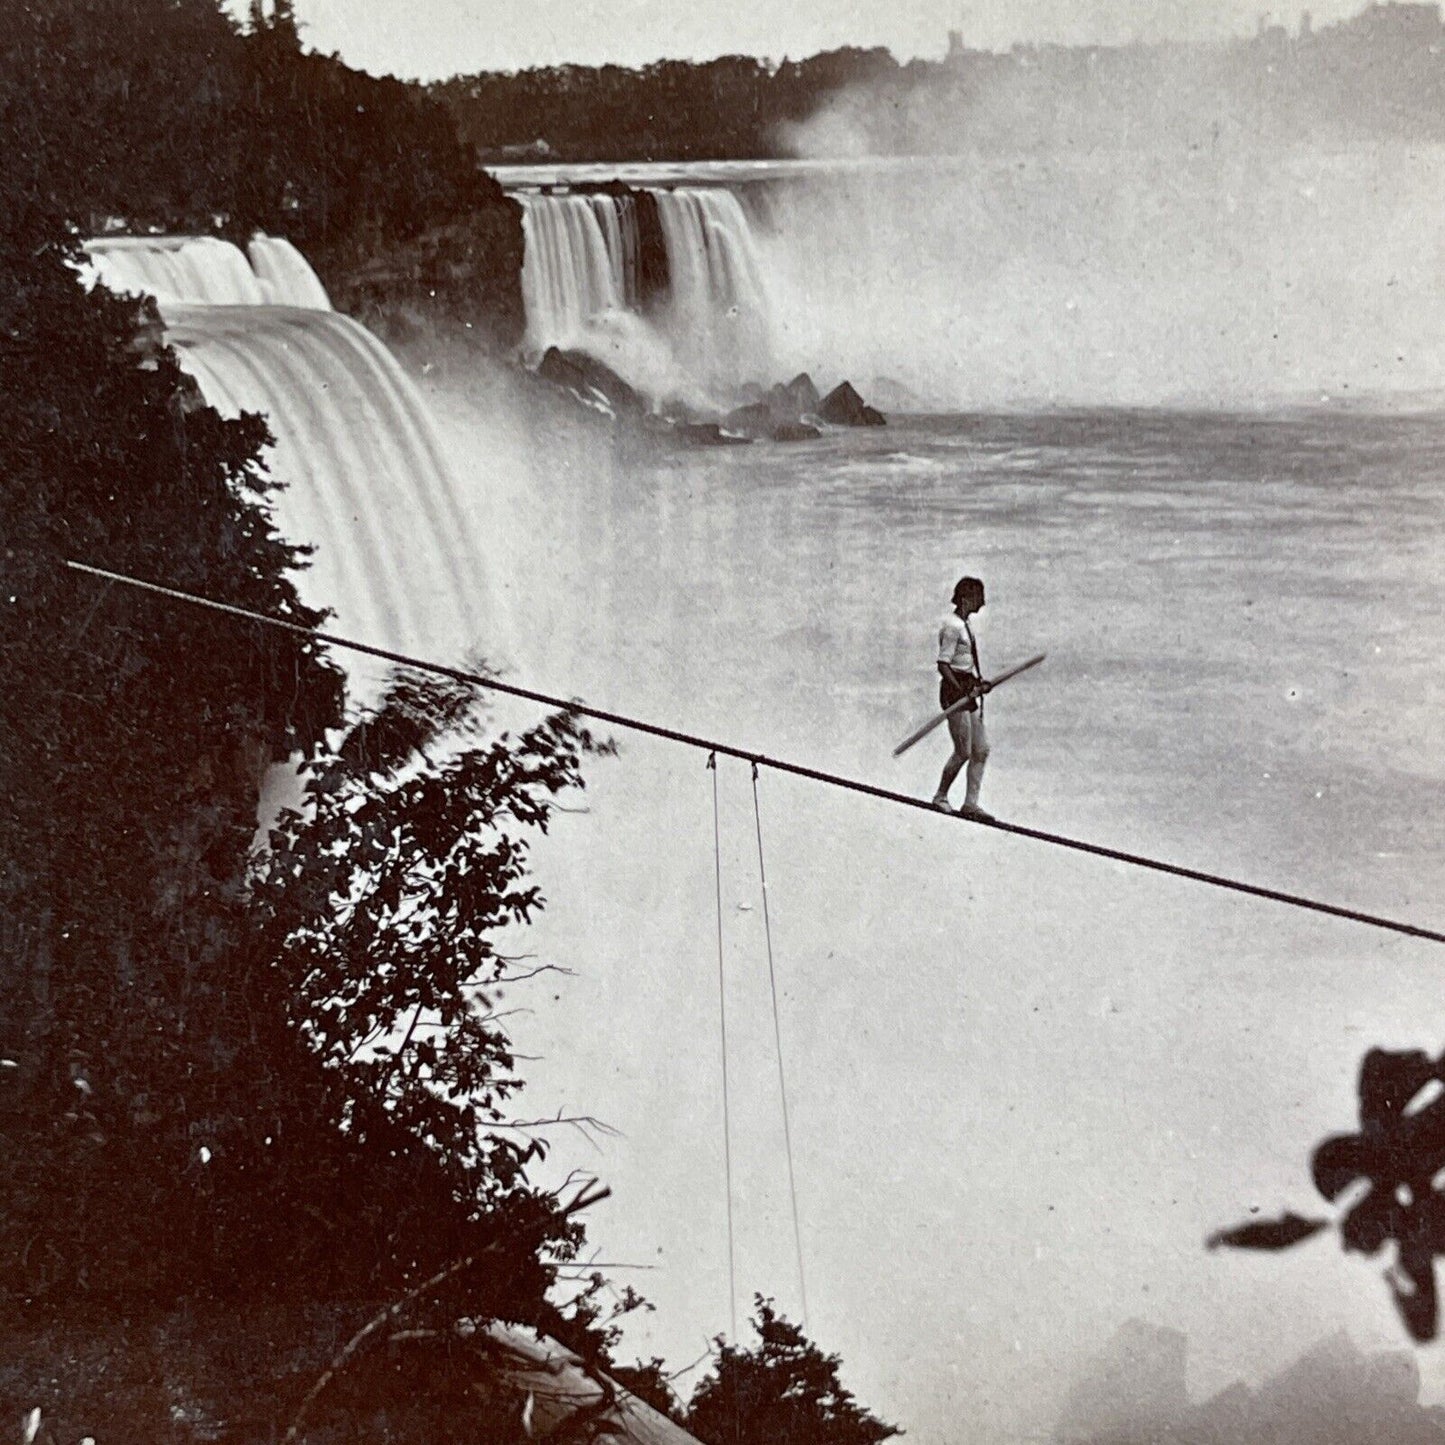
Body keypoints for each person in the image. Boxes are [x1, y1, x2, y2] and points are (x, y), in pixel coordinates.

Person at [932, 575, 994, 821]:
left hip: (966, 687)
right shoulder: (952, 626)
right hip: (953, 691)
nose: (983, 603)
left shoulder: (964, 625)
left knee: (981, 749)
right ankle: (940, 796)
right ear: (967, 598)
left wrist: (979, 684)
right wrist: (960, 690)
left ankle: (970, 804)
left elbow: (965, 664)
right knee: (963, 751)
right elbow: (944, 665)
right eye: (980, 598)